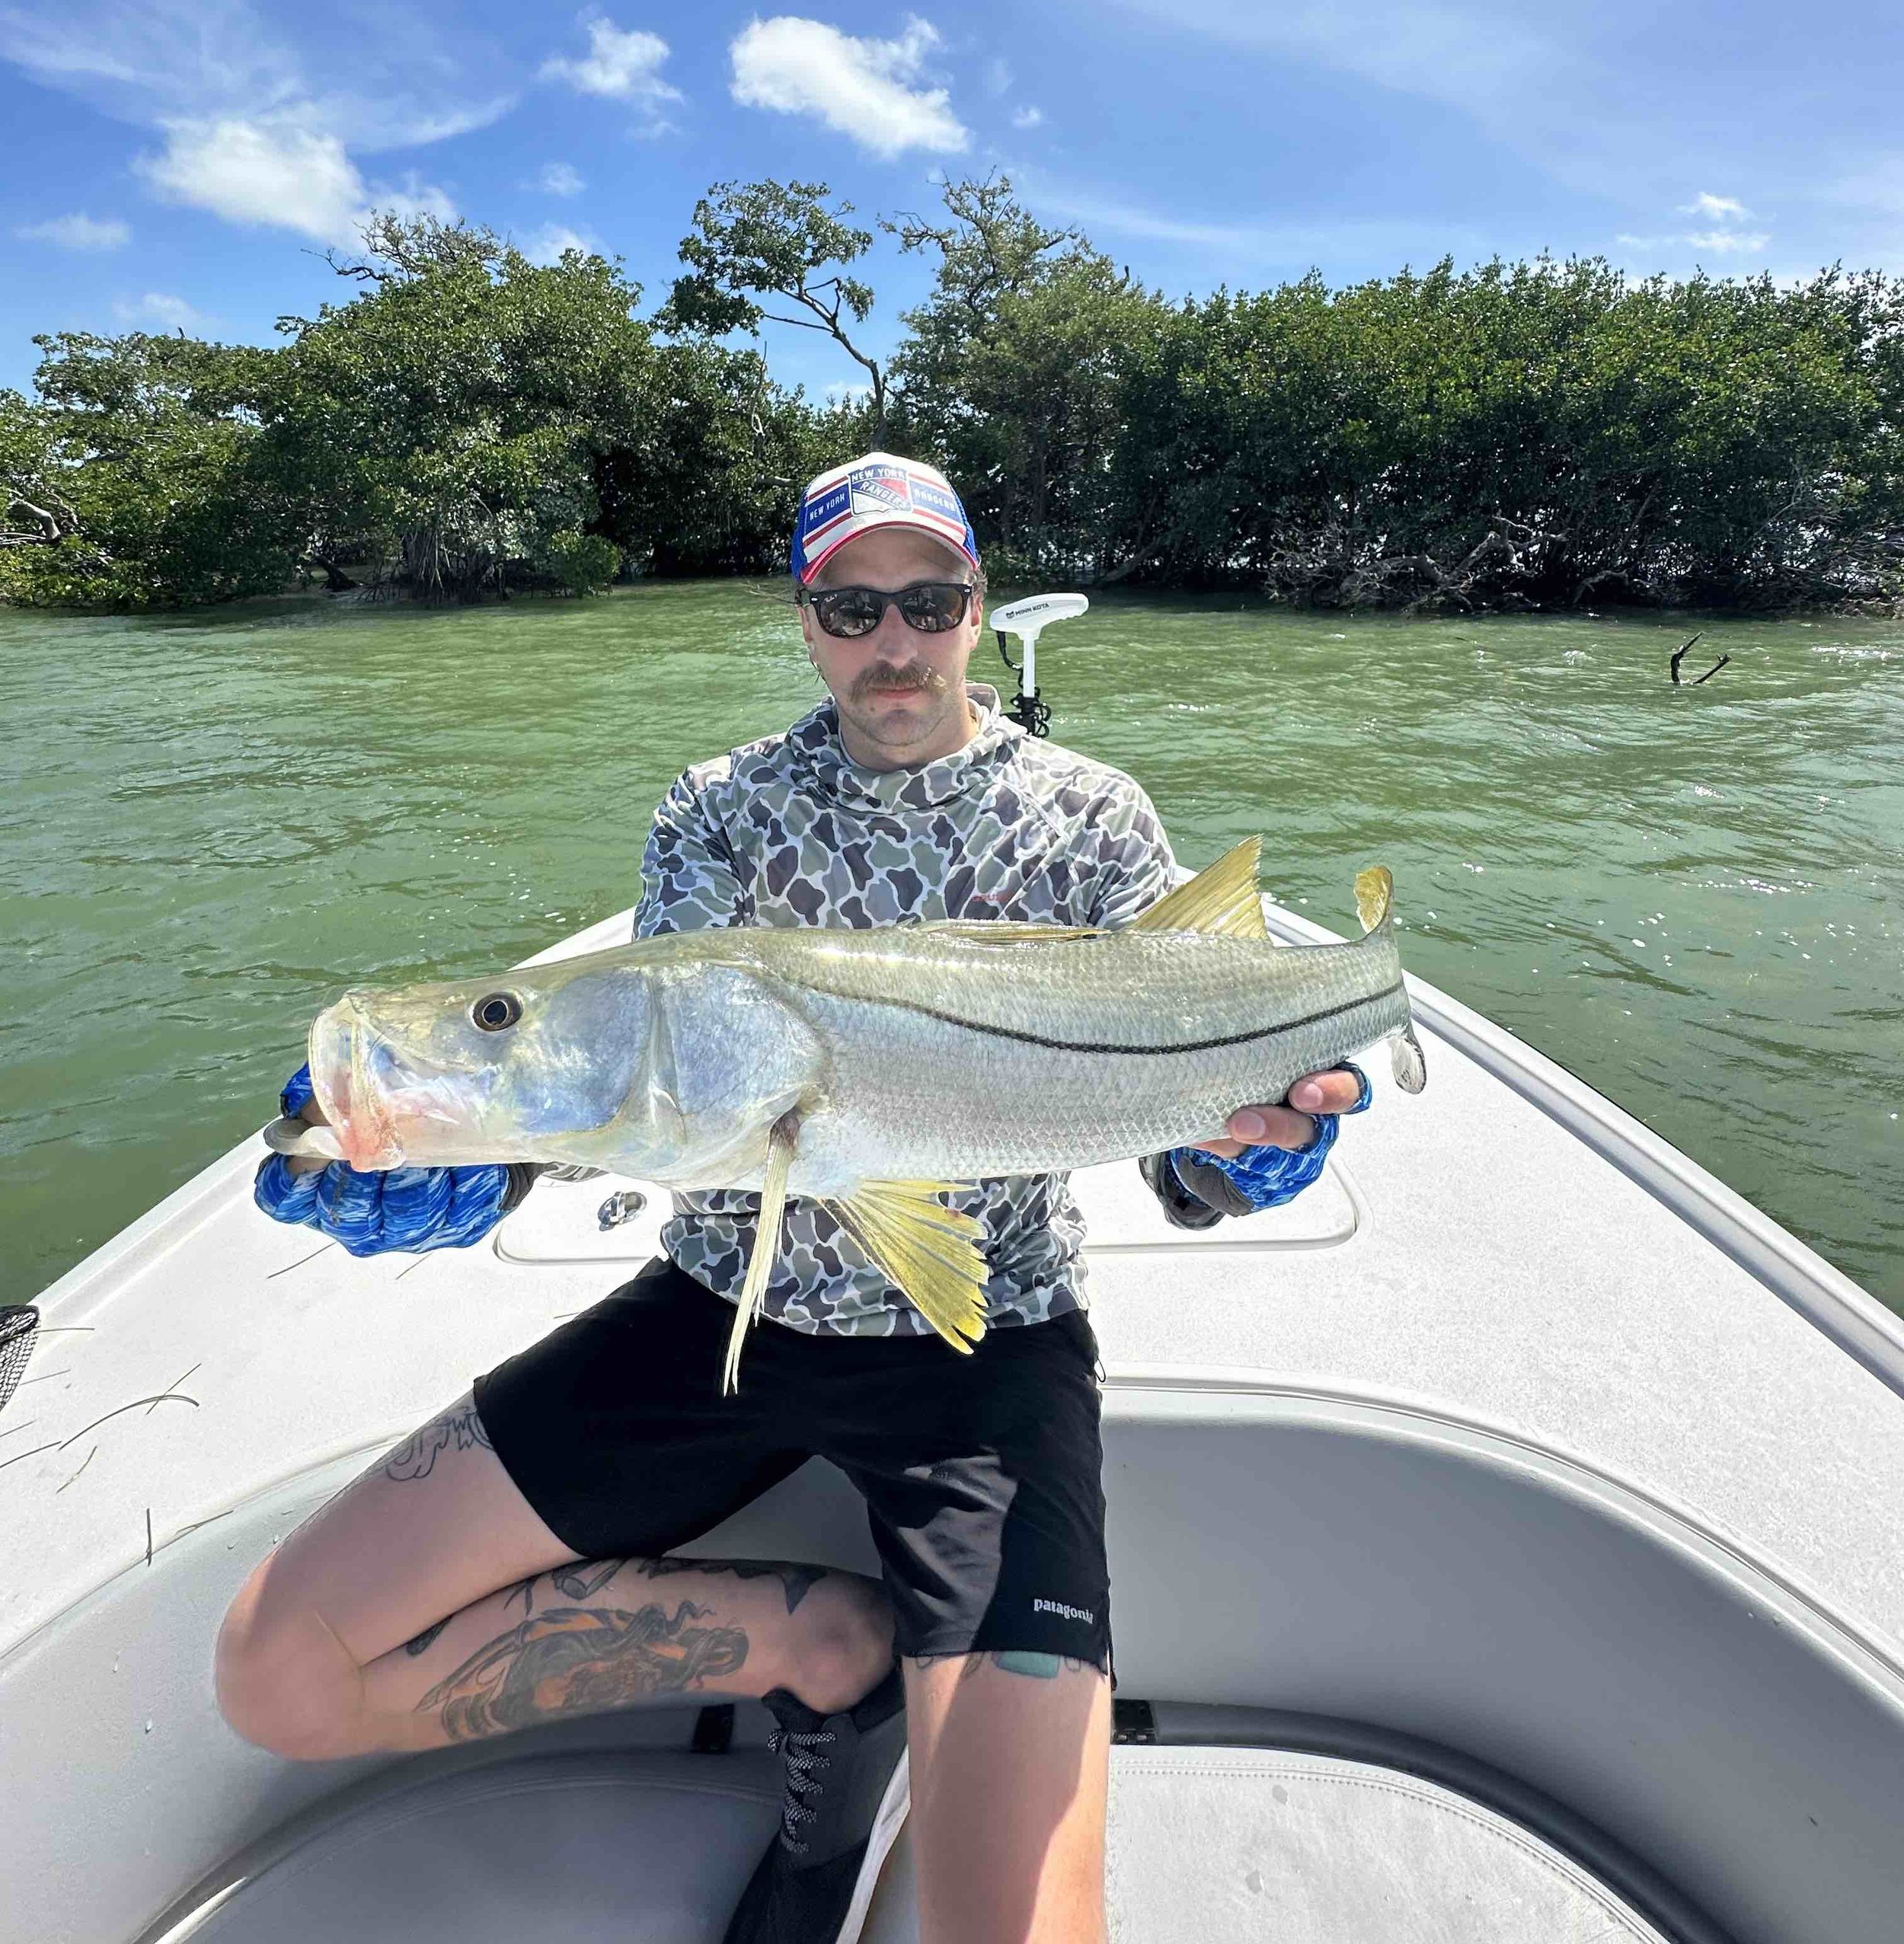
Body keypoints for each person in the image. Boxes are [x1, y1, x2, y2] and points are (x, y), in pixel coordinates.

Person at [216, 452, 1372, 1944]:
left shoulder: (1091, 815)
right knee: (278, 1670)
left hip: (990, 1348)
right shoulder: (717, 808)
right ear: (806, 615)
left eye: (930, 599)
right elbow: (659, 1084)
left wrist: (1238, 1146)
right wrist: (479, 1155)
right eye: (850, 605)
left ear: (969, 602)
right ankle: (819, 1642)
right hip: (721, 1307)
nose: (893, 641)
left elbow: (1170, 1105)